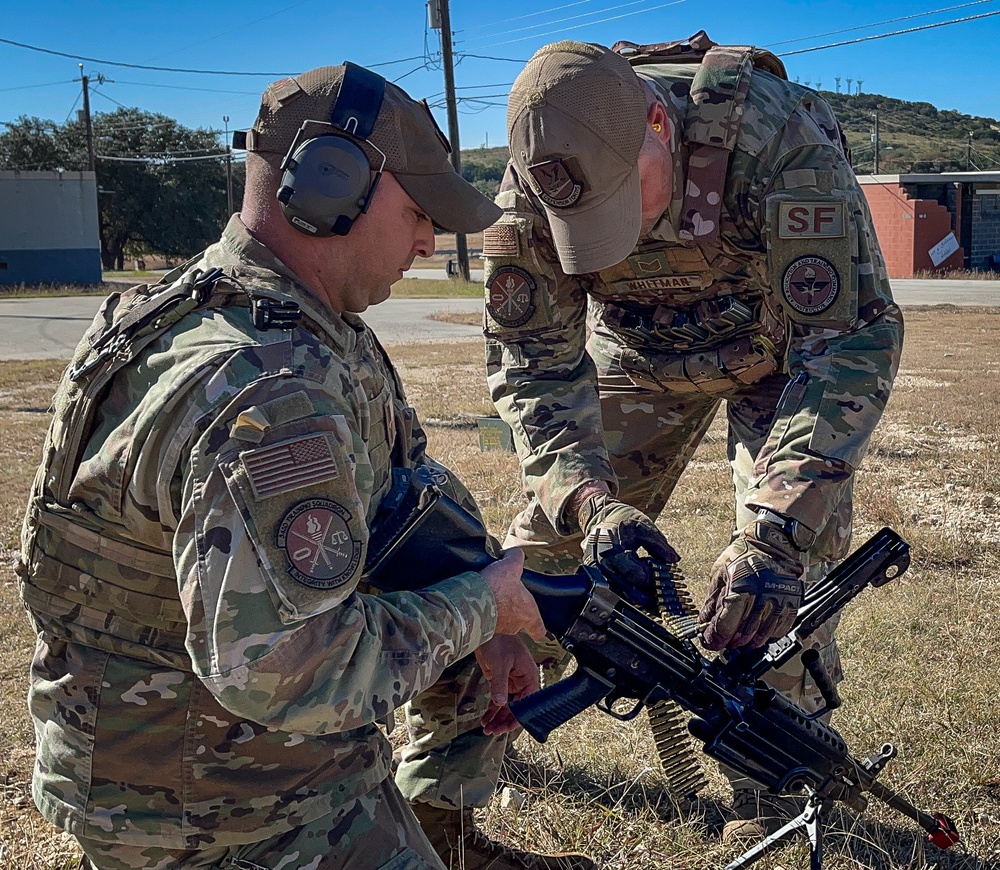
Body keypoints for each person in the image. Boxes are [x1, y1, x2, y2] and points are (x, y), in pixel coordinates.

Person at [16, 62, 587, 870]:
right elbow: (287, 674)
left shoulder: (243, 315)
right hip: (218, 804)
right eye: (418, 211)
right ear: (330, 185)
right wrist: (485, 609)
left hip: (170, 757)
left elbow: (401, 492)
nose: (429, 241)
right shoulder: (269, 393)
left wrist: (480, 609)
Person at [396, 32, 903, 846]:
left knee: (783, 584)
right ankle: (436, 799)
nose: (614, 239)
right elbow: (532, 360)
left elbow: (846, 341)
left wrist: (773, 531)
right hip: (634, 361)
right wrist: (590, 503)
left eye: (623, 205)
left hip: (783, 362)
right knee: (533, 567)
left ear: (661, 128)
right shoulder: (528, 193)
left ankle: (779, 799)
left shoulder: (776, 138)